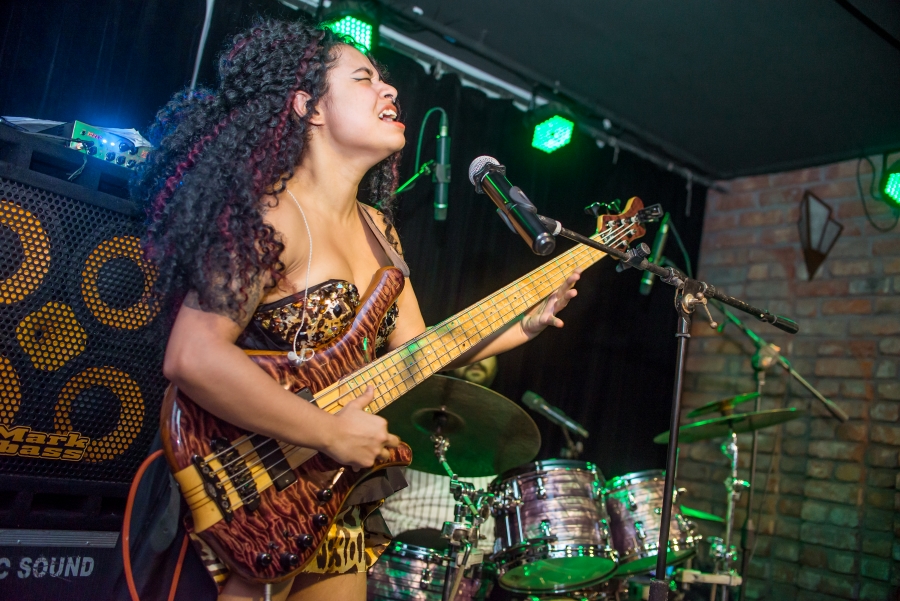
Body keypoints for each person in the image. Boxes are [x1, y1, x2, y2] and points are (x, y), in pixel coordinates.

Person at [139, 17, 581, 601]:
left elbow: (417, 349)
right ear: (309, 108)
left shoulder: (379, 229)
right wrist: (328, 431)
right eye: (364, 78)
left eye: (384, 79)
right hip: (249, 486)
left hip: (328, 490)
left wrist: (521, 326)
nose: (389, 89)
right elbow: (193, 355)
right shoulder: (270, 214)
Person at [380, 357, 500, 555]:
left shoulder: (505, 429)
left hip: (477, 553)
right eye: (472, 352)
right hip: (402, 545)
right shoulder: (410, 411)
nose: (478, 360)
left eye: (488, 353)